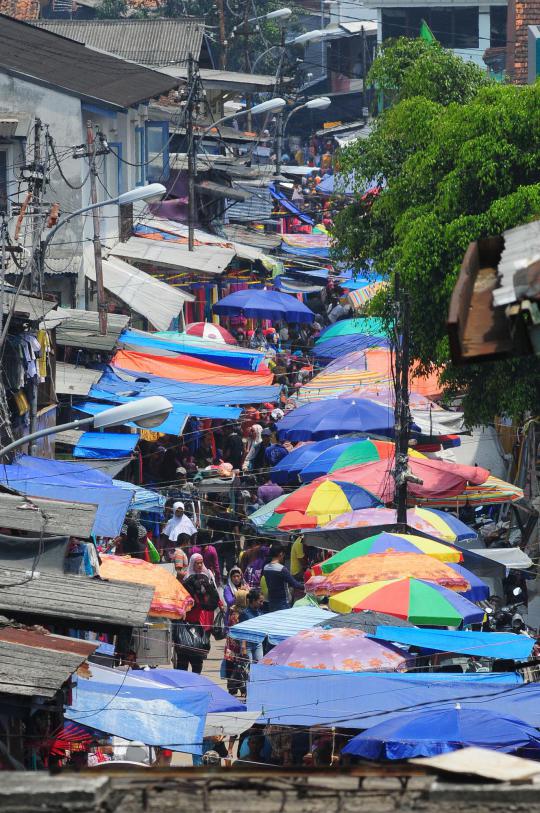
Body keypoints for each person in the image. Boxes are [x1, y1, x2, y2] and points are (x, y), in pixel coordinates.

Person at [175, 553, 220, 674]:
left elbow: (214, 598)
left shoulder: (206, 577)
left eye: (201, 563)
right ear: (192, 564)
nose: (200, 565)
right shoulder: (186, 578)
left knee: (197, 655)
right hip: (185, 621)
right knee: (183, 655)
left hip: (200, 620)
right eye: (197, 563)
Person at [263, 544, 304, 612]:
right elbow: (295, 584)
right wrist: (308, 586)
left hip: (271, 602)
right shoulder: (281, 569)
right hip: (283, 603)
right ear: (281, 554)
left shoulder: (265, 567)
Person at [239, 588, 265, 663]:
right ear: (253, 600)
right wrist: (243, 646)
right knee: (248, 668)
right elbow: (242, 631)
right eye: (260, 601)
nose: (262, 604)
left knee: (259, 666)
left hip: (258, 644)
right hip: (247, 646)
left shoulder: (260, 613)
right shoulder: (245, 614)